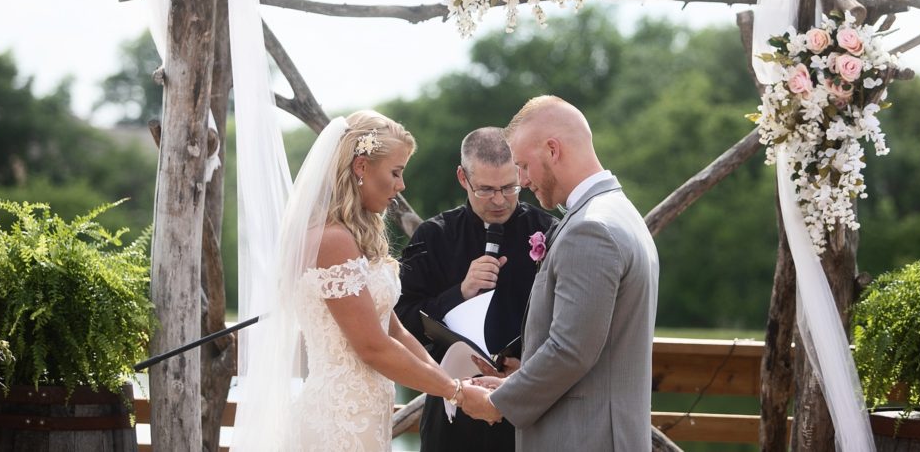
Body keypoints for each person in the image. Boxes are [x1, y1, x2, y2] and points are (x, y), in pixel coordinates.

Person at [230, 111, 488, 452]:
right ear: (361, 167)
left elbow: (394, 330)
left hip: (364, 416)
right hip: (338, 421)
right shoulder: (332, 240)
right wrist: (455, 392)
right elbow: (372, 347)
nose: (401, 185)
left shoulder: (351, 238)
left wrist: (451, 382)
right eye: (395, 172)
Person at [460, 96, 660, 452]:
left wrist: (497, 403)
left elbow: (571, 351)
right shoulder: (618, 211)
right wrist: (515, 381)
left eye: (522, 165)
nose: (521, 180)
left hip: (584, 438)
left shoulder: (591, 228)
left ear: (552, 150)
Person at [395, 127, 557, 452]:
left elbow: (571, 324)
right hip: (454, 414)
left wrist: (529, 363)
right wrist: (460, 293)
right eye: (485, 189)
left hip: (527, 410)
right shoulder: (433, 236)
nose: (499, 200)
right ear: (462, 177)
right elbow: (399, 320)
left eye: (509, 187)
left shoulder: (550, 232)